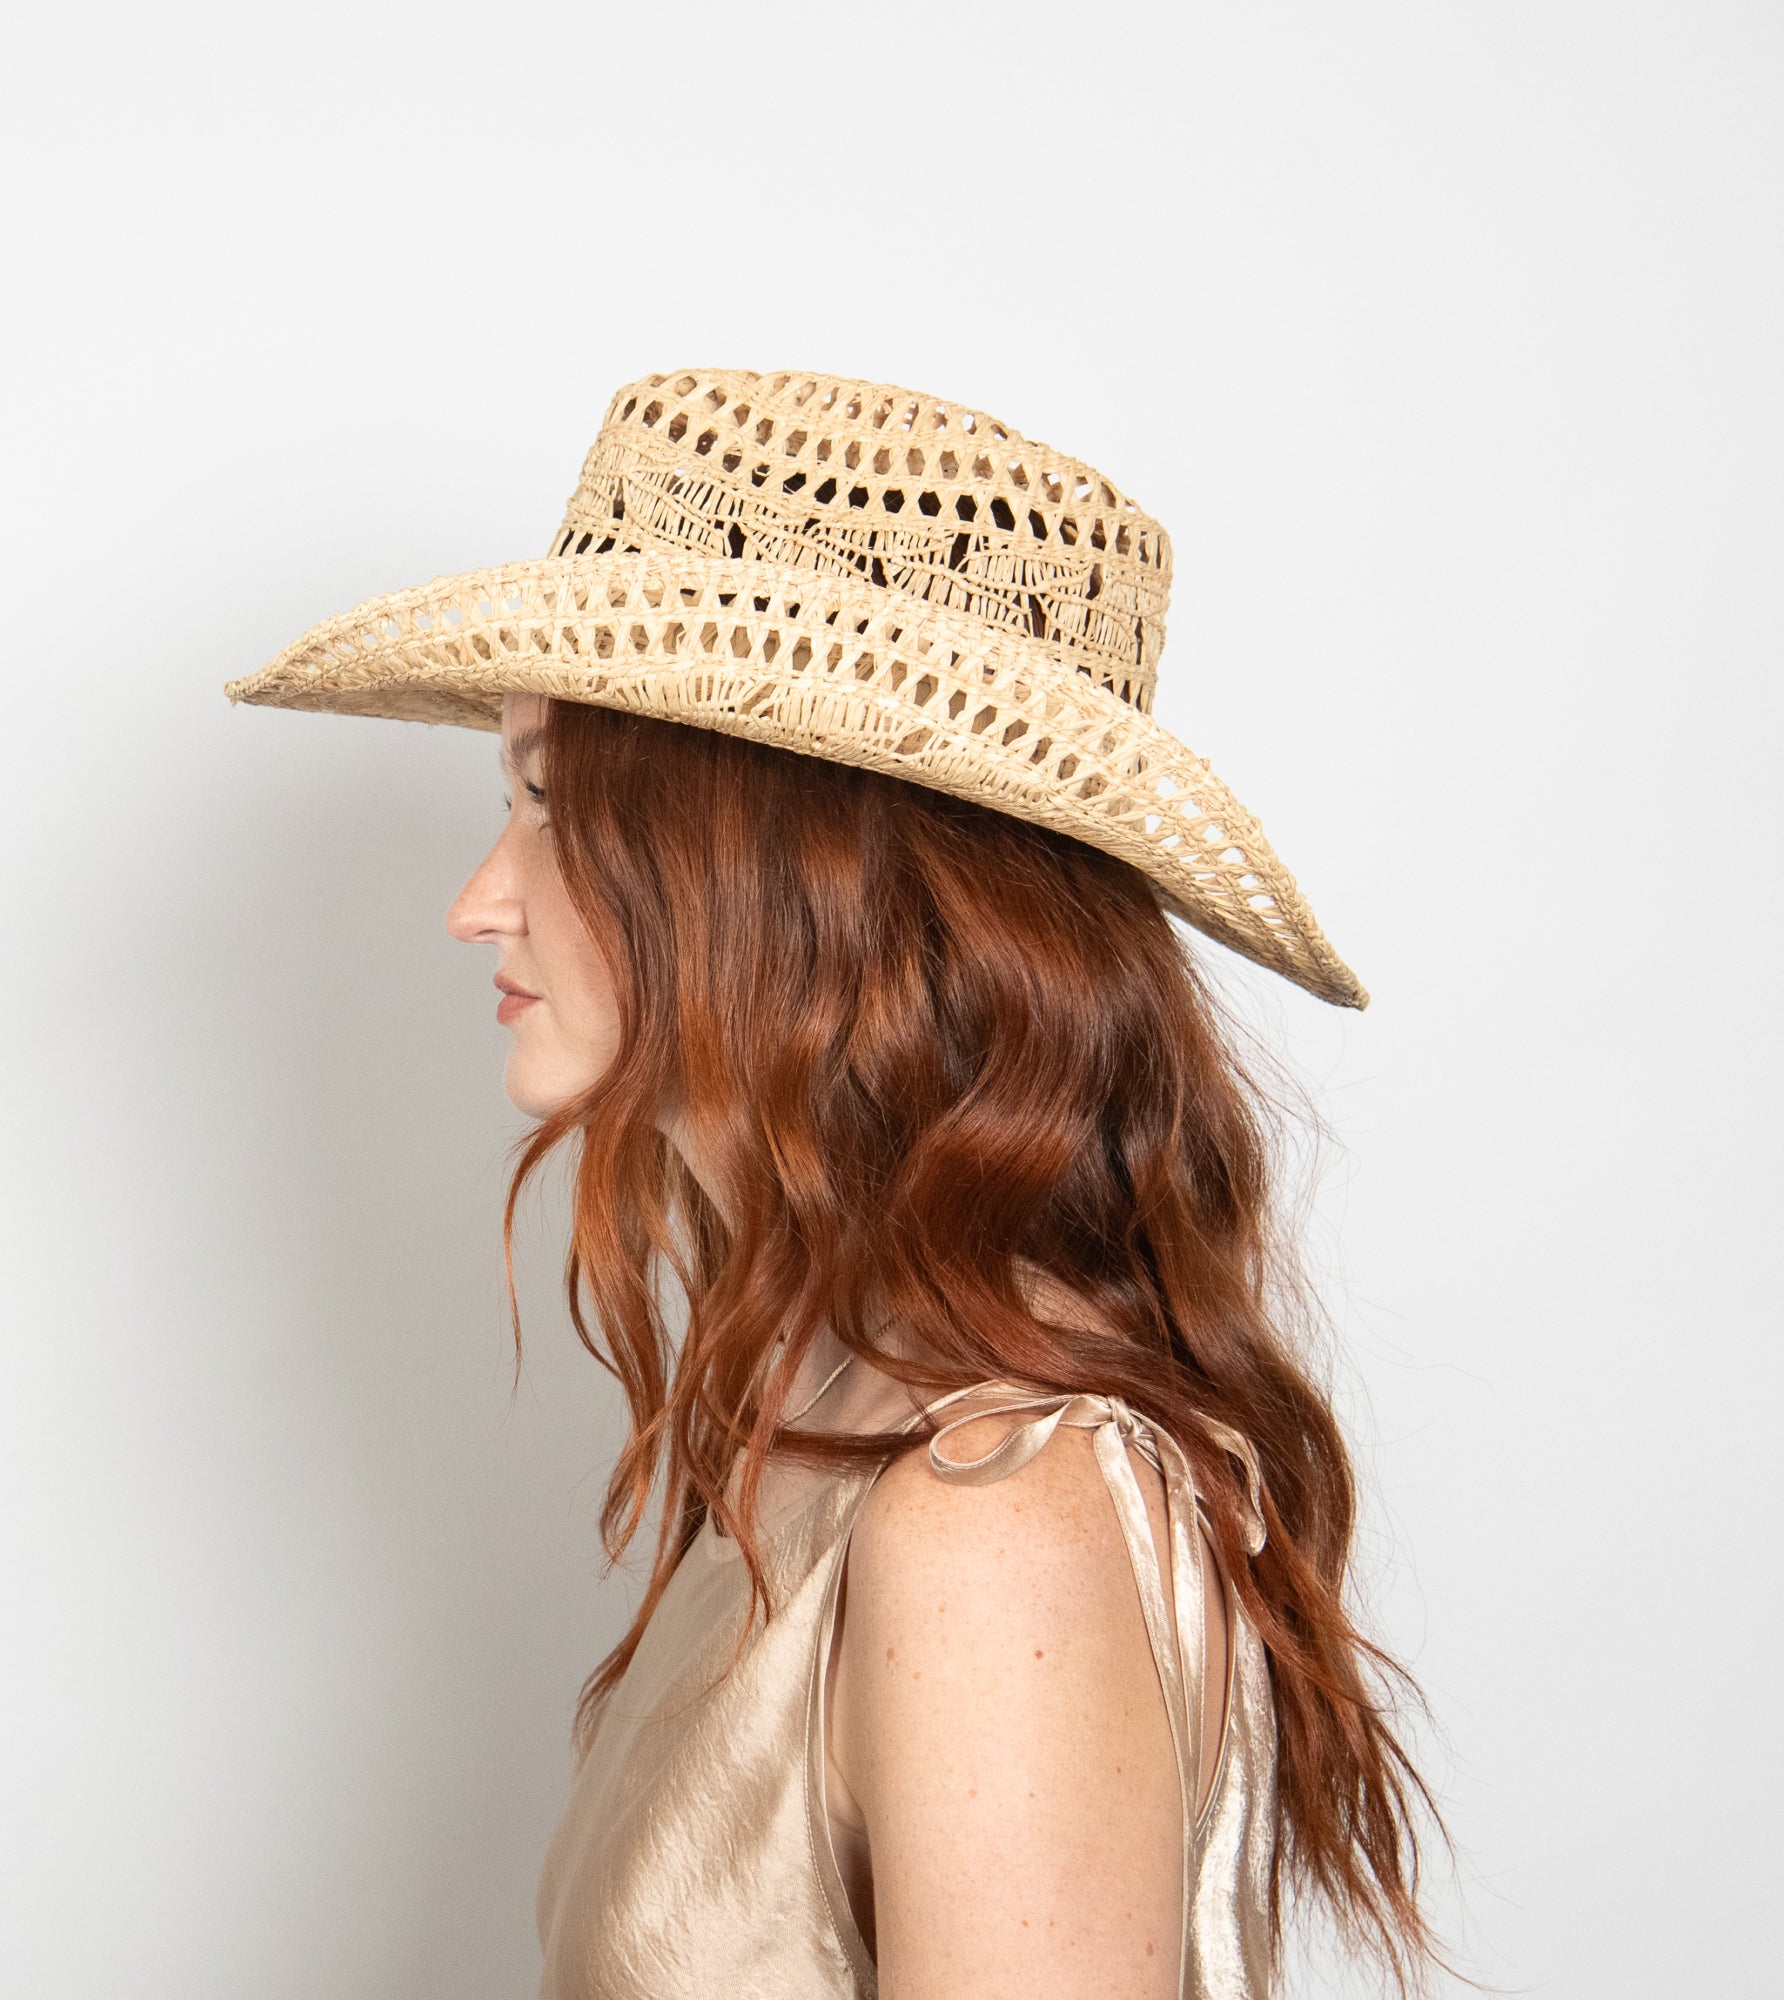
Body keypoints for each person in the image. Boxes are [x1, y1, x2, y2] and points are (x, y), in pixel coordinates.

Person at [228, 369, 1440, 1997]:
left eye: (550, 802)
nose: (478, 900)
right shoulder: (840, 1409)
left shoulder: (993, 1516)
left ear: (784, 866)